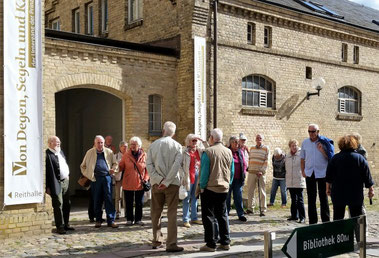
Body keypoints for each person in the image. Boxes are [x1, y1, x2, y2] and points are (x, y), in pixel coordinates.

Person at [146, 121, 184, 252]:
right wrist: (166, 181)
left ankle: (157, 240)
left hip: (157, 184)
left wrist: (158, 179)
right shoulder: (178, 146)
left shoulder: (153, 145)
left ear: (163, 131)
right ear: (173, 133)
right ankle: (171, 243)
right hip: (172, 183)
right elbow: (176, 166)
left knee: (156, 213)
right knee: (172, 213)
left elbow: (149, 165)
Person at [199, 128, 234, 252]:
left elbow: (204, 172)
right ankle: (225, 241)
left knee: (209, 216)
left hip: (210, 188)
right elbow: (232, 171)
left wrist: (201, 187)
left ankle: (211, 243)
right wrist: (228, 183)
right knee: (222, 215)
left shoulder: (208, 152)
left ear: (212, 138)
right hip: (224, 188)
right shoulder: (228, 152)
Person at [326, 135, 374, 222]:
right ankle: (356, 234)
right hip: (355, 193)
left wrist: (327, 189)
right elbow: (367, 176)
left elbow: (329, 176)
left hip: (338, 192)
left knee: (338, 217)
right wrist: (371, 189)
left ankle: (339, 234)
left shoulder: (335, 158)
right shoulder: (360, 158)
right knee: (356, 217)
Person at [80, 135, 119, 228]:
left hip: (106, 177)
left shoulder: (109, 152)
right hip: (95, 179)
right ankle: (98, 220)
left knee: (109, 199)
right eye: (98, 142)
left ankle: (111, 220)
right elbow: (83, 166)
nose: (100, 144)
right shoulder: (90, 152)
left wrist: (113, 169)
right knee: (97, 200)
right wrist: (89, 174)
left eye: (102, 142)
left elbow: (115, 163)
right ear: (95, 143)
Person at [301, 123, 333, 224]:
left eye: (313, 131)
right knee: (311, 198)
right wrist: (303, 170)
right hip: (310, 172)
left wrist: (322, 150)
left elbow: (331, 158)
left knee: (323, 197)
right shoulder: (305, 143)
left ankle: (325, 221)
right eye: (309, 131)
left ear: (318, 132)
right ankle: (312, 221)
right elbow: (302, 158)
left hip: (322, 172)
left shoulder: (324, 142)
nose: (311, 133)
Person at [45, 136, 74, 234]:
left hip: (65, 181)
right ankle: (59, 226)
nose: (58, 143)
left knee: (67, 203)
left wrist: (67, 176)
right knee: (58, 204)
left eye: (59, 142)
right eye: (56, 142)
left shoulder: (60, 152)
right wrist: (47, 187)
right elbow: (46, 173)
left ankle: (66, 224)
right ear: (50, 143)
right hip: (55, 183)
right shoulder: (47, 154)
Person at [119, 137, 149, 226]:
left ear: (139, 146)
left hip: (140, 182)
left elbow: (148, 170)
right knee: (129, 202)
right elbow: (121, 166)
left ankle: (138, 219)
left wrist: (146, 179)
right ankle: (129, 219)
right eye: (131, 144)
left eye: (134, 144)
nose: (132, 146)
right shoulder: (126, 155)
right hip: (128, 182)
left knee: (139, 202)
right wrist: (116, 168)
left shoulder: (144, 155)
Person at [181, 134, 206, 228]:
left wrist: (202, 140)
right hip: (188, 177)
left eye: (196, 141)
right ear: (188, 141)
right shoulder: (184, 151)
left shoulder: (199, 150)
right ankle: (185, 219)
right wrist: (182, 174)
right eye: (193, 140)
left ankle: (194, 217)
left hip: (197, 177)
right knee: (186, 199)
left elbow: (208, 149)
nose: (195, 142)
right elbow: (179, 164)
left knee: (195, 197)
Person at [247, 134, 269, 215]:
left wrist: (262, 171)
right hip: (251, 172)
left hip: (260, 173)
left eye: (260, 138)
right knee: (250, 191)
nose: (258, 139)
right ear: (255, 139)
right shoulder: (252, 148)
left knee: (262, 191)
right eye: (257, 138)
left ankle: (263, 209)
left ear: (262, 139)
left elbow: (266, 161)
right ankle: (250, 208)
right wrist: (249, 167)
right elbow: (249, 158)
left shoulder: (266, 148)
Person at [226, 136, 247, 222]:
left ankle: (240, 214)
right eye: (234, 142)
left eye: (237, 142)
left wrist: (244, 173)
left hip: (238, 179)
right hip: (228, 179)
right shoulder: (227, 151)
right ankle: (226, 213)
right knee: (227, 197)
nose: (236, 144)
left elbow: (244, 164)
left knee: (238, 196)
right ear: (230, 143)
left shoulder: (240, 152)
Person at [285, 139, 306, 223]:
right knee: (293, 199)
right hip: (290, 181)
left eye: (295, 145)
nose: (294, 147)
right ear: (290, 147)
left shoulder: (301, 154)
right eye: (292, 146)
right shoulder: (287, 156)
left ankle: (302, 217)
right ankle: (294, 216)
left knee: (300, 200)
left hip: (299, 179)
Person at [114, 141, 128, 219]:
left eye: (126, 146)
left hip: (127, 179)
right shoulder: (116, 156)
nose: (125, 148)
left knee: (126, 196)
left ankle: (126, 212)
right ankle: (117, 212)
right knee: (118, 196)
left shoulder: (129, 156)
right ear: (120, 147)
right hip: (119, 178)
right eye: (123, 146)